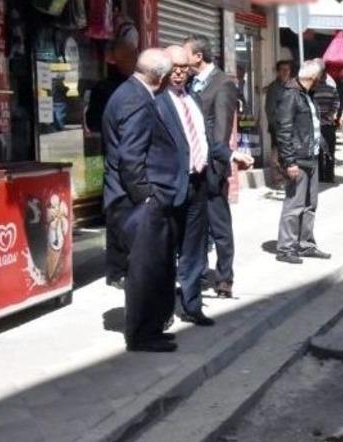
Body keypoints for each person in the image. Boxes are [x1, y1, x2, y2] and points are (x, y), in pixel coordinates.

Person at [157, 45, 253, 327]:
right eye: (174, 68)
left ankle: (191, 305)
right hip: (170, 186)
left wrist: (231, 155)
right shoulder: (157, 101)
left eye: (184, 69)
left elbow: (207, 141)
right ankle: (162, 312)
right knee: (165, 251)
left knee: (194, 250)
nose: (179, 74)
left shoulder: (194, 100)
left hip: (197, 184)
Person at [102, 48, 181, 353]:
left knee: (153, 266)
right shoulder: (136, 99)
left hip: (133, 198)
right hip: (135, 201)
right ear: (159, 76)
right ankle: (141, 334)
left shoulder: (128, 92)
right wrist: (146, 196)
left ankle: (151, 328)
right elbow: (130, 155)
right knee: (145, 270)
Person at [183, 34, 237, 299]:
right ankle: (199, 270)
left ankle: (225, 277)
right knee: (196, 225)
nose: (181, 60)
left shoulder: (222, 83)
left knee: (219, 225)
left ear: (198, 56)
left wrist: (219, 160)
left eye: (186, 54)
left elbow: (222, 130)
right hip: (192, 165)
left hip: (212, 167)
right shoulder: (191, 83)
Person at [87, 39, 138, 290]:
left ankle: (118, 269)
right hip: (121, 160)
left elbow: (94, 122)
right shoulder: (116, 89)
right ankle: (118, 268)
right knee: (120, 215)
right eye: (131, 56)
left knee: (119, 215)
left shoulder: (134, 87)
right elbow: (93, 122)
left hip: (118, 159)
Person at [274, 59, 332, 265]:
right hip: (298, 158)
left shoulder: (307, 95)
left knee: (310, 204)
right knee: (294, 204)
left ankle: (306, 244)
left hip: (311, 156)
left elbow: (311, 125)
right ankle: (286, 248)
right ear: (313, 78)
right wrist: (289, 161)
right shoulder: (291, 95)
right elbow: (284, 131)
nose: (321, 80)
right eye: (320, 77)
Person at [265, 60, 293, 186]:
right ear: (277, 72)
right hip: (278, 127)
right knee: (277, 155)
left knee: (289, 154)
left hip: (292, 127)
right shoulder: (273, 87)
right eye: (282, 70)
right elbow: (269, 109)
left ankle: (289, 178)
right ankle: (278, 180)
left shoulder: (293, 86)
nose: (285, 72)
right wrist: (276, 126)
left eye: (287, 70)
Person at [312, 72, 340, 183]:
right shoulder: (332, 90)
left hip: (316, 126)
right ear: (326, 78)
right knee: (329, 152)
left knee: (317, 152)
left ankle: (319, 176)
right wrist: (330, 114)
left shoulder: (313, 91)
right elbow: (337, 104)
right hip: (328, 125)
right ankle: (329, 176)